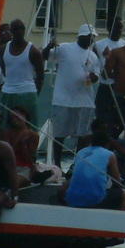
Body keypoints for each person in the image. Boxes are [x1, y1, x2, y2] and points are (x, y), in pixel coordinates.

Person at [44, 24, 104, 153]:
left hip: (84, 101)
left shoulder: (93, 56)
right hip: (64, 100)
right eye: (89, 36)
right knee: (60, 134)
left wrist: (94, 77)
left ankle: (76, 163)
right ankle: (57, 164)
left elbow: (97, 74)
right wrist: (49, 45)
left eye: (93, 37)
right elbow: (45, 56)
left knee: (83, 136)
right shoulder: (66, 48)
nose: (91, 39)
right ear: (81, 36)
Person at [62, 130, 125, 210]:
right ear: (107, 144)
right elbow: (117, 183)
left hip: (72, 199)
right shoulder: (109, 154)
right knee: (124, 193)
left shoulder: (80, 152)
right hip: (95, 200)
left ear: (92, 142)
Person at [0, 18, 45, 127]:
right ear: (11, 31)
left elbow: (40, 77)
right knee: (5, 127)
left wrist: (34, 94)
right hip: (7, 93)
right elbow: (4, 70)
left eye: (22, 28)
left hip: (27, 93)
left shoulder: (34, 51)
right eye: (16, 29)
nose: (19, 31)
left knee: (28, 129)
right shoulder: (2, 49)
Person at [92, 18, 125, 129]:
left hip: (120, 87)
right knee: (103, 118)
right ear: (109, 28)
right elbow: (96, 68)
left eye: (121, 27)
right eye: (117, 27)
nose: (119, 30)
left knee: (120, 119)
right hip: (105, 87)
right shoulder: (98, 45)